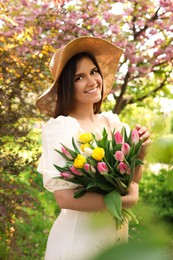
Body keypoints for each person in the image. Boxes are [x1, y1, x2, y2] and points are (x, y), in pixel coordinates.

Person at [36, 36, 151, 260]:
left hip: (116, 237)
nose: (92, 81)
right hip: (79, 240)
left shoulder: (112, 123)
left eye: (94, 72)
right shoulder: (61, 129)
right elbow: (66, 198)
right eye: (79, 77)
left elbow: (131, 181)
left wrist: (140, 153)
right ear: (67, 86)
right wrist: (126, 201)